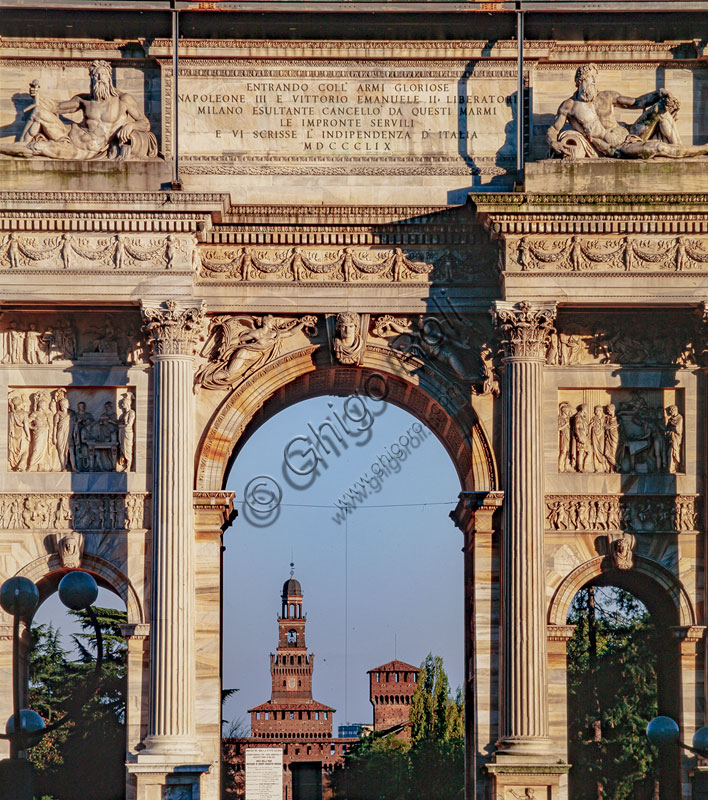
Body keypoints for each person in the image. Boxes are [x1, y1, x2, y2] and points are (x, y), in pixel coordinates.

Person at [1, 60, 157, 161]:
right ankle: (19, 149)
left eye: (102, 75)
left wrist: (131, 126)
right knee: (39, 113)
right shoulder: (83, 100)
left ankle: (17, 151)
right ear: (91, 79)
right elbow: (56, 107)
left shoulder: (124, 100)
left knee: (37, 147)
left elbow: (145, 123)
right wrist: (37, 96)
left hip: (85, 150)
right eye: (95, 76)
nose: (99, 78)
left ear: (109, 78)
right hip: (70, 135)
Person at [547, 63, 708, 160]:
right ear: (579, 82)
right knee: (657, 148)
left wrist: (659, 93)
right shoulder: (569, 106)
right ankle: (703, 149)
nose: (592, 86)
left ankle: (680, 154)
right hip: (618, 149)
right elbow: (553, 129)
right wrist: (554, 143)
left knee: (661, 111)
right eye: (589, 82)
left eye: (594, 82)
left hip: (631, 133)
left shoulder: (606, 96)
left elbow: (636, 102)